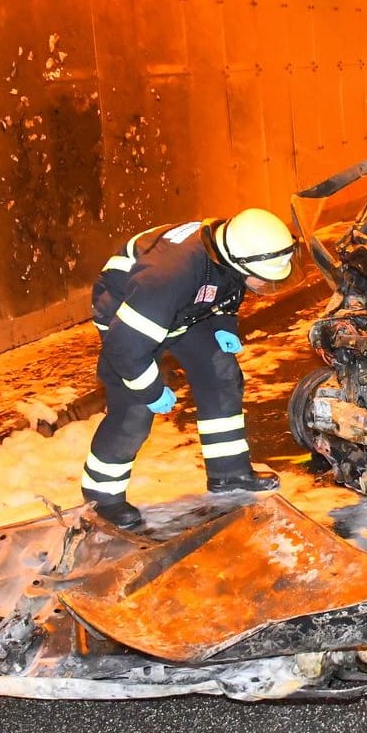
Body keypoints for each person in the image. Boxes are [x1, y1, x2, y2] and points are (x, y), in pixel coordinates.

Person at [80, 209, 297, 527]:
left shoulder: (228, 247)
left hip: (185, 309)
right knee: (134, 410)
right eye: (262, 277)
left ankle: (229, 473)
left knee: (221, 376)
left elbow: (227, 289)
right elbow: (125, 348)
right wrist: (150, 390)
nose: (264, 284)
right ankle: (102, 498)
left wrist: (224, 322)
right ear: (237, 261)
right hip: (127, 315)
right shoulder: (169, 276)